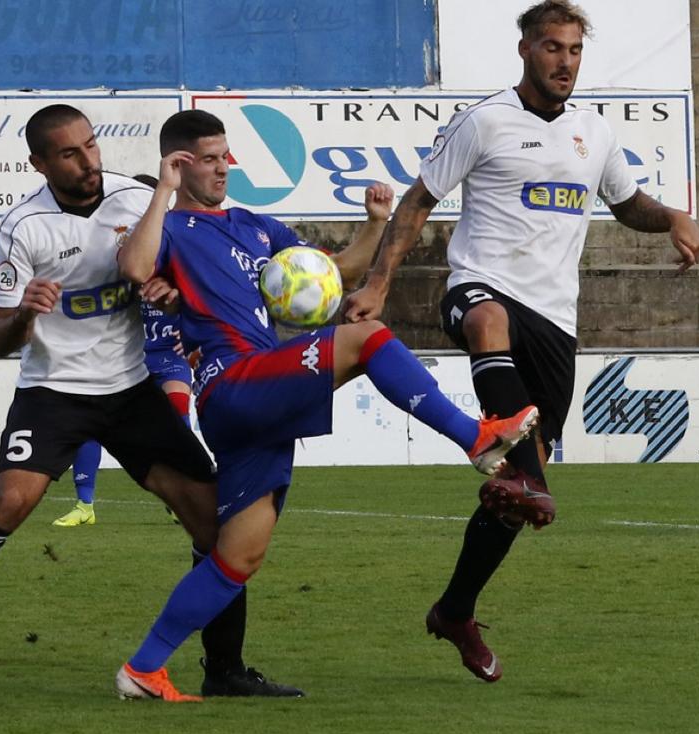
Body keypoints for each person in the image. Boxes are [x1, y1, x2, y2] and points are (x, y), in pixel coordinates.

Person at [111, 109, 541, 701]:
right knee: (367, 340)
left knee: (237, 557)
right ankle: (476, 436)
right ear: (180, 163)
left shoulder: (256, 226)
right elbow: (134, 269)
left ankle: (143, 669)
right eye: (208, 159)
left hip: (259, 394)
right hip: (232, 381)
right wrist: (162, 189)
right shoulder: (166, 228)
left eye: (224, 157)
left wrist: (375, 223)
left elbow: (338, 272)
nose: (222, 169)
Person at [0, 105, 298, 707]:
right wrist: (24, 313)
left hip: (129, 389)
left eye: (91, 146)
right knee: (9, 502)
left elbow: (181, 275)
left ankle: (224, 668)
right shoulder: (23, 229)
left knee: (214, 520)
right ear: (40, 163)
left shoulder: (137, 200)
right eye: (70, 154)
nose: (88, 161)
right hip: (54, 391)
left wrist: (171, 294)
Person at [344, 0, 699, 682]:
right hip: (481, 286)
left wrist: (674, 218)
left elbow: (628, 205)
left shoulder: (593, 134)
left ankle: (455, 609)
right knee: (488, 323)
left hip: (554, 323)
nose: (563, 61)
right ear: (525, 50)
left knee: (515, 502)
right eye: (551, 48)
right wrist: (379, 288)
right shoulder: (484, 122)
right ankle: (509, 447)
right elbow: (419, 201)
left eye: (573, 50)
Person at [52, 175, 194, 529]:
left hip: (169, 355)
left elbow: (205, 293)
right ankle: (85, 505)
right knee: (90, 426)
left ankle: (182, 498)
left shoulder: (178, 248)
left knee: (178, 417)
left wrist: (194, 331)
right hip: (128, 356)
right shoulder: (119, 253)